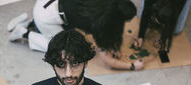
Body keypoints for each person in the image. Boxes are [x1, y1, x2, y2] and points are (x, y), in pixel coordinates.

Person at [8, 0, 144, 71]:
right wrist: (132, 66)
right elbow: (108, 61)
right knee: (64, 49)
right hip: (45, 17)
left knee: (68, 28)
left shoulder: (102, 5)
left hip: (45, 4)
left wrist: (113, 47)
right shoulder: (99, 24)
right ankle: (24, 32)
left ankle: (29, 21)